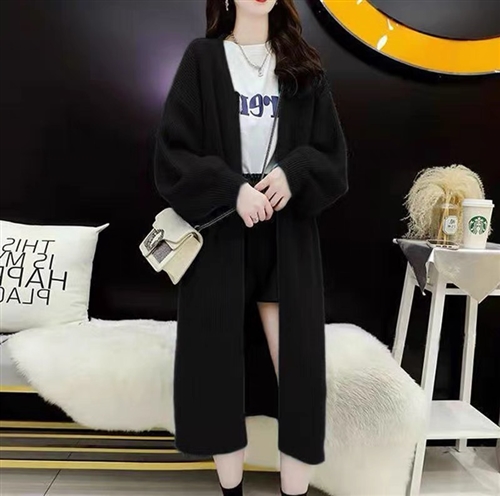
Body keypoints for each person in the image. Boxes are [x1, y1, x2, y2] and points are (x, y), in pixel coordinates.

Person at [153, 0, 348, 495]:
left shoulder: (303, 64)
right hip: (223, 235)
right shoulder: (202, 59)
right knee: (217, 365)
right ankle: (231, 491)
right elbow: (172, 153)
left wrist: (293, 171)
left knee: (300, 372)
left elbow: (332, 157)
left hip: (288, 236)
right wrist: (230, 188)